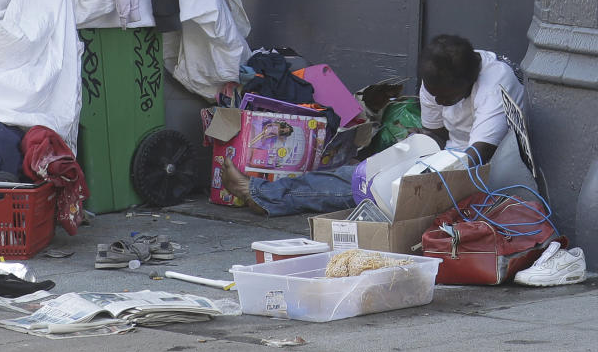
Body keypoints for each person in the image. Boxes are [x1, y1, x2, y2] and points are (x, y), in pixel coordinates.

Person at [220, 34, 525, 216]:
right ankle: (270, 195)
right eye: (432, 94)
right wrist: (404, 156)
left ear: (464, 82)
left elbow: (477, 156)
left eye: (445, 97)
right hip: (450, 163)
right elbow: (435, 134)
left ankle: (264, 195)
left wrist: (414, 180)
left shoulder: (495, 84)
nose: (437, 101)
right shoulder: (441, 77)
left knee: (368, 188)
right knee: (364, 173)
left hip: (481, 177)